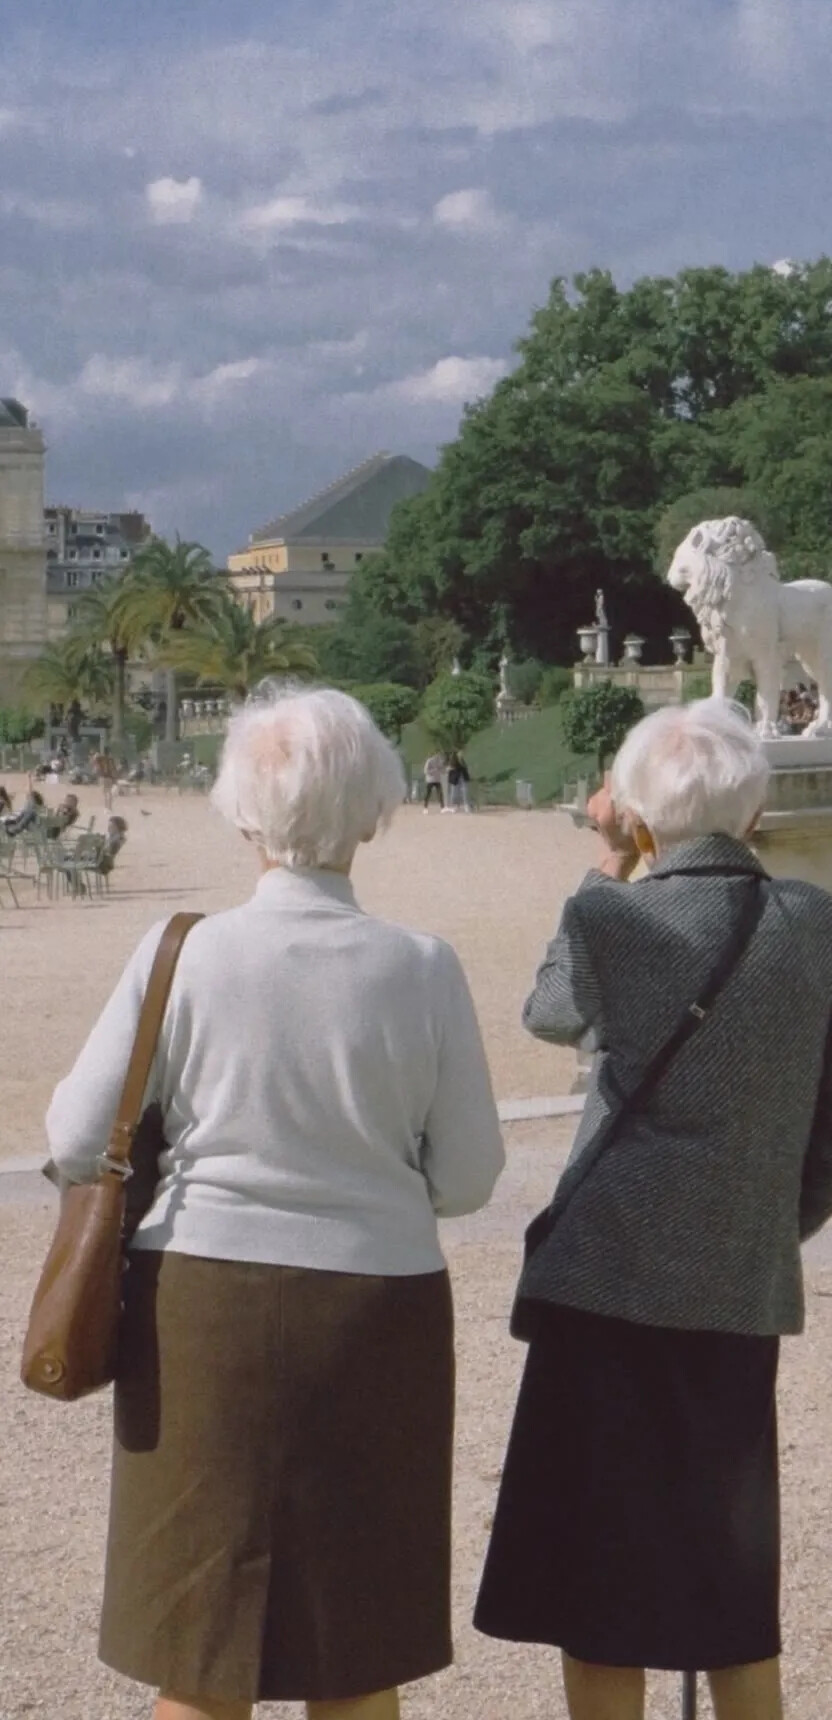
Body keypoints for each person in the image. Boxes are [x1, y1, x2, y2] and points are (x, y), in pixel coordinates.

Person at [45, 685, 505, 1720]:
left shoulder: (186, 953)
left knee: (202, 1652)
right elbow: (470, 1178)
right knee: (355, 1649)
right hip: (377, 1307)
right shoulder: (424, 968)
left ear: (243, 813)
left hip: (200, 1306)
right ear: (377, 810)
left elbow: (76, 1139)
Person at [475, 698, 832, 1720]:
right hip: (735, 1295)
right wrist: (753, 1231)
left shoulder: (612, 914)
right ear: (755, 807)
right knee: (730, 1591)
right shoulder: (815, 921)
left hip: (602, 1288)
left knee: (598, 1591)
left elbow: (550, 1012)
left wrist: (604, 859)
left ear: (639, 813)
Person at [97, 814, 128, 878]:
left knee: (72, 864)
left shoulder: (116, 838)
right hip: (105, 861)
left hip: (104, 864)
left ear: (117, 827)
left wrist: (99, 845)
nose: (108, 828)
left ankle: (78, 884)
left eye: (111, 826)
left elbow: (108, 851)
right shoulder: (115, 837)